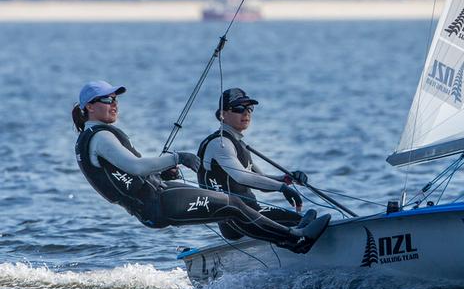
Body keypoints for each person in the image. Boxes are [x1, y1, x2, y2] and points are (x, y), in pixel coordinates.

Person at [71, 81, 329, 253]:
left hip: (156, 199)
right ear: (90, 107)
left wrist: (163, 172)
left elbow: (129, 172)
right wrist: (178, 158)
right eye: (107, 99)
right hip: (158, 202)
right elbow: (136, 167)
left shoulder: (95, 136)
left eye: (116, 99)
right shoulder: (100, 136)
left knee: (232, 208)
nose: (114, 103)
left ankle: (289, 234)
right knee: (233, 205)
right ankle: (296, 240)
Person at [197, 88, 310, 241]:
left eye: (250, 108)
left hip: (251, 213)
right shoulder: (220, 143)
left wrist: (286, 179)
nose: (246, 113)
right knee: (301, 222)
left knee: (303, 220)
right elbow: (242, 177)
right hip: (234, 220)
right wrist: (281, 188)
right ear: (222, 114)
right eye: (238, 108)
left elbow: (260, 180)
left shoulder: (238, 144)